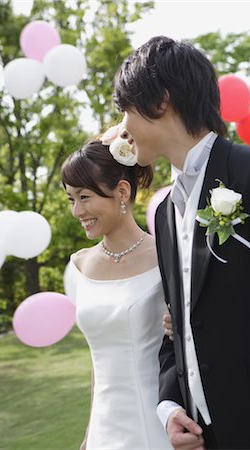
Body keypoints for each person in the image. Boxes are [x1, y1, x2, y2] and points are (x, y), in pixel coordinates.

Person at [113, 36, 250, 450]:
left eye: (125, 109)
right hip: (202, 436)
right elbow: (178, 321)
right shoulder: (165, 212)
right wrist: (170, 405)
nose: (122, 128)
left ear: (161, 99)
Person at [61, 137, 173, 450]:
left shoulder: (166, 255)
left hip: (157, 420)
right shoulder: (81, 264)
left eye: (84, 197)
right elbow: (99, 360)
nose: (76, 210)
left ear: (122, 191)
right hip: (103, 427)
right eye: (71, 199)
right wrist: (88, 434)